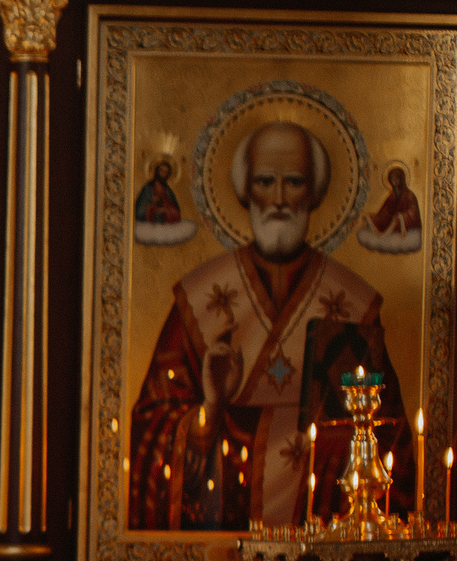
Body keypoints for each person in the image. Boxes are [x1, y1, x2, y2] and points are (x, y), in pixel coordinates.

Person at [129, 120, 404, 530]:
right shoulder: (199, 297)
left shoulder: (354, 301)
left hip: (323, 544)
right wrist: (209, 411)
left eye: (293, 182)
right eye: (264, 181)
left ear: (314, 193)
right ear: (244, 191)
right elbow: (150, 430)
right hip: (223, 528)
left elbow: (390, 434)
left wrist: (340, 443)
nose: (278, 198)